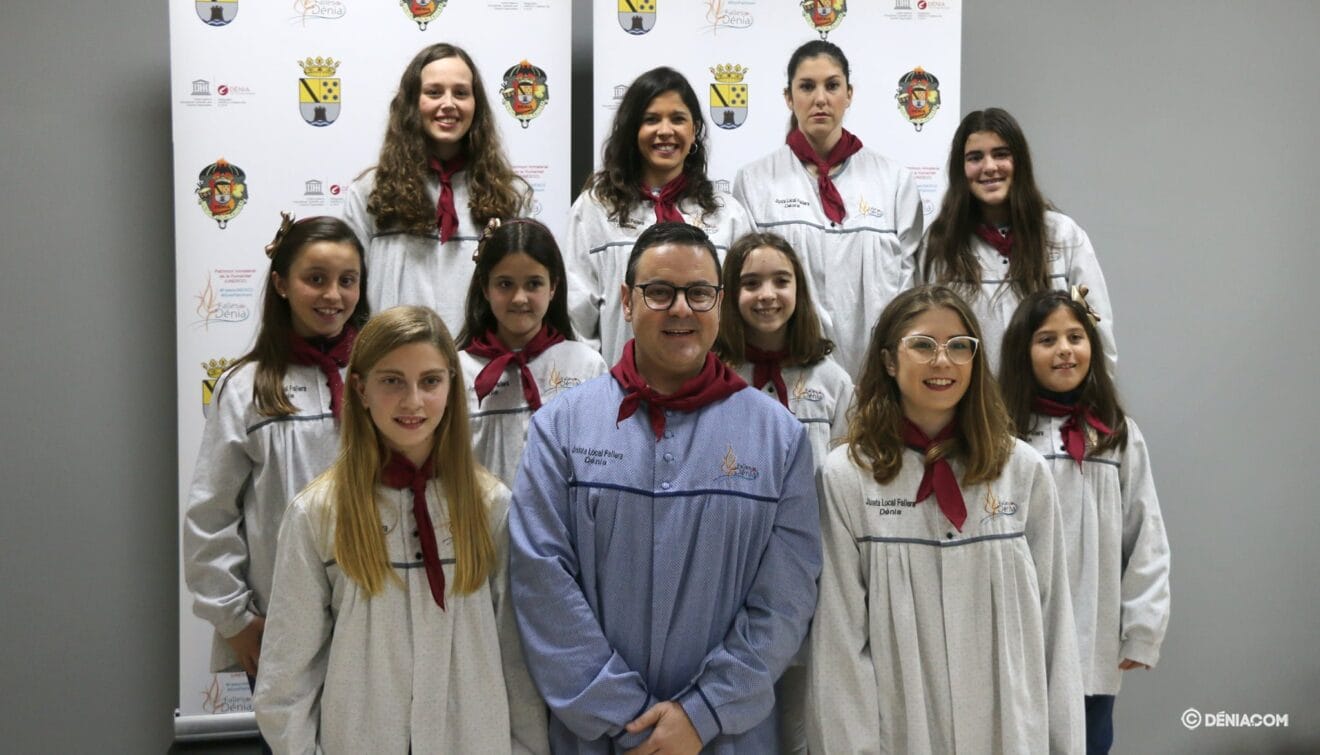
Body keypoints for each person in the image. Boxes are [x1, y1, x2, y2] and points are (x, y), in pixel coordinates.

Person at [509, 222, 821, 753]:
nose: (681, 309)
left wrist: (701, 714)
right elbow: (541, 582)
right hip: (597, 736)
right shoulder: (561, 428)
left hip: (725, 736)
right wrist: (630, 720)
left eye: (699, 293)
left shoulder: (780, 439)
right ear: (627, 302)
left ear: (719, 305)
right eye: (660, 292)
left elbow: (785, 600)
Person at [253, 306, 548, 754]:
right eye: (392, 381)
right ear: (361, 389)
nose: (413, 401)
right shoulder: (317, 513)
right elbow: (285, 681)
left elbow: (518, 664)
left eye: (430, 381)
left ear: (451, 386)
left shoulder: (492, 507)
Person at [806, 285, 1085, 754]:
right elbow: (839, 644)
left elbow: (1054, 624)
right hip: (901, 730)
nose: (943, 361)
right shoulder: (847, 478)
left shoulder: (1021, 470)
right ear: (890, 361)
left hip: (1010, 730)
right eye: (922, 345)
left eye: (959, 346)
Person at [184, 214, 367, 691]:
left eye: (347, 281)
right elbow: (211, 511)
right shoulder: (245, 388)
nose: (333, 295)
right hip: (280, 621)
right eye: (315, 279)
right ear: (282, 283)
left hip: (372, 617)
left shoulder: (381, 378)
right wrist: (234, 618)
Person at [999, 289, 1170, 755]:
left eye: (1075, 337)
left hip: (1091, 626)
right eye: (1047, 339)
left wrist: (1142, 626)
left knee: (1089, 741)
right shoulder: (1000, 430)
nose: (1064, 350)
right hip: (1020, 624)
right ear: (1022, 351)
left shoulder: (1116, 432)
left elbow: (1144, 530)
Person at [713, 231, 851, 753]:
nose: (766, 294)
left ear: (800, 290)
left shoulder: (831, 380)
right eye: (750, 283)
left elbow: (845, 483)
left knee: (801, 726)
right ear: (729, 294)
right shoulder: (714, 373)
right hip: (734, 567)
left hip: (809, 575)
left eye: (780, 281)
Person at [734, 40, 924, 381]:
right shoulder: (755, 181)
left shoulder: (893, 180)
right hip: (790, 373)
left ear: (849, 94)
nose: (820, 99)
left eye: (832, 85)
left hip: (880, 375)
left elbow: (909, 293)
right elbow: (751, 287)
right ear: (789, 98)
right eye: (807, 87)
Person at [565, 65, 752, 365]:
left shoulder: (727, 214)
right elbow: (576, 317)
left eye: (678, 119)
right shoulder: (594, 210)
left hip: (711, 394)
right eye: (651, 119)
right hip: (622, 396)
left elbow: (742, 315)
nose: (665, 131)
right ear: (632, 130)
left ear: (694, 131)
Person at [344, 43, 529, 332]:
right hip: (393, 365)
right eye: (433, 92)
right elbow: (348, 293)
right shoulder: (370, 192)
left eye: (461, 93)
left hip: (481, 369)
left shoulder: (510, 194)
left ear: (476, 105)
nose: (448, 103)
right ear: (412, 104)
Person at [917, 107, 1116, 375]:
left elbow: (1094, 324)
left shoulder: (1063, 236)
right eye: (975, 157)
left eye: (1001, 154)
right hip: (973, 411)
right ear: (960, 169)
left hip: (1047, 410)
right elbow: (923, 333)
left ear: (1019, 162)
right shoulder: (940, 244)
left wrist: (1095, 402)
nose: (989, 167)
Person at [456, 218, 607, 486]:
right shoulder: (458, 370)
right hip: (479, 525)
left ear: (553, 287)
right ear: (485, 288)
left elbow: (600, 463)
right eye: (505, 284)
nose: (519, 298)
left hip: (560, 526)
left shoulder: (586, 366)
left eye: (533, 284)